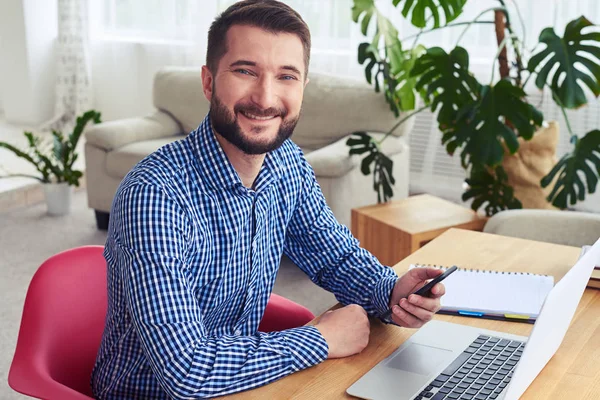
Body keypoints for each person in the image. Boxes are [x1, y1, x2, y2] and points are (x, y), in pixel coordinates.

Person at [91, 1, 446, 399]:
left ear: (303, 88)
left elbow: (335, 257)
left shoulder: (286, 162)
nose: (265, 97)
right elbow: (186, 370)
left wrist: (392, 292)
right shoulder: (155, 196)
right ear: (209, 82)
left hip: (243, 384)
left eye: (286, 76)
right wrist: (319, 339)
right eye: (245, 71)